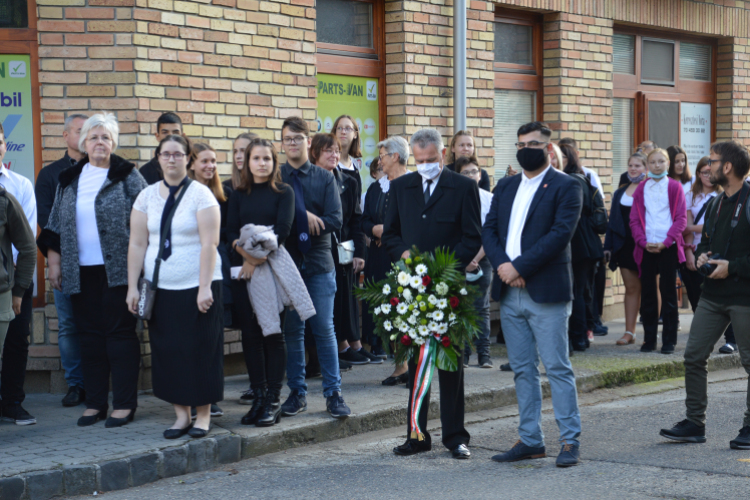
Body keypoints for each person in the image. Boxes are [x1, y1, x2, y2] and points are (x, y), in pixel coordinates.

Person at [37, 112, 148, 428]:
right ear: (83, 142)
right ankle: (96, 403)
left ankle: (124, 404)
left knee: (120, 335)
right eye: (94, 137)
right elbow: (55, 224)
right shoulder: (69, 179)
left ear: (114, 143)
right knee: (90, 337)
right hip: (80, 271)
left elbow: (147, 218)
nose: (100, 142)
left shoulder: (127, 175)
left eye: (106, 137)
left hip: (119, 272)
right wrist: (55, 264)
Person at [483, 121, 583, 467]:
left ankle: (570, 440)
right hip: (509, 291)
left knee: (556, 367)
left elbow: (559, 235)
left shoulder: (567, 187)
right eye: (521, 142)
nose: (526, 148)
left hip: (546, 291)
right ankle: (530, 440)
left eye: (534, 143)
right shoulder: (506, 185)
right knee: (523, 369)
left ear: (548, 148)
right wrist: (503, 267)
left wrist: (520, 267)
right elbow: (490, 229)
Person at [383, 128, 482, 460]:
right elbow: (391, 233)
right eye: (419, 160)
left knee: (450, 363)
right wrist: (404, 255)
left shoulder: (464, 187)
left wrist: (446, 267)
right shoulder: (400, 187)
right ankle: (417, 433)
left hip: (448, 285)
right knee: (416, 362)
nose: (425, 165)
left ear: (443, 155)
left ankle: (455, 436)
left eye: (431, 160)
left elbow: (472, 236)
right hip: (413, 288)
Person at [127, 134, 224, 439]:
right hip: (162, 287)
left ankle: (203, 416)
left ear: (188, 159)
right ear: (158, 158)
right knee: (169, 351)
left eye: (178, 154)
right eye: (166, 154)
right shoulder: (145, 196)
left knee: (201, 350)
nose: (172, 159)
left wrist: (205, 287)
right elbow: (138, 243)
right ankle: (181, 415)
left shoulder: (201, 195)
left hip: (198, 285)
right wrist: (133, 286)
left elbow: (210, 243)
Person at [659, 140, 750, 450]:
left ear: (728, 167)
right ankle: (694, 423)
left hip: (745, 296)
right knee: (694, 356)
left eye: (712, 161)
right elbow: (707, 241)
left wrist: (733, 266)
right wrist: (701, 256)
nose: (707, 167)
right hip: (712, 294)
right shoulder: (715, 202)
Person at [278, 117, 351, 419]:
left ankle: (333, 394)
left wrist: (308, 220)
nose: (292, 143)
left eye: (297, 138)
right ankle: (297, 393)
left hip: (320, 265)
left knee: (324, 329)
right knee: (293, 331)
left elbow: (335, 220)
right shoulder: (276, 178)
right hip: (289, 266)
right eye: (287, 139)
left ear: (308, 141)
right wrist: (301, 213)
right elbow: (271, 219)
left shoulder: (325, 178)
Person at [227, 138, 294, 426]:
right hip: (245, 272)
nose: (262, 163)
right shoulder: (238, 194)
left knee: (272, 335)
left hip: (272, 271)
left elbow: (282, 231)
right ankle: (258, 397)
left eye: (267, 158)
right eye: (256, 158)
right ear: (247, 161)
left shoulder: (284, 192)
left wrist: (256, 259)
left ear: (273, 161)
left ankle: (274, 400)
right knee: (251, 336)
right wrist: (247, 259)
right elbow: (229, 232)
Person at [34, 114, 89, 408]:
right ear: (65, 135)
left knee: (96, 323)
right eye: (79, 131)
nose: (84, 137)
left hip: (98, 264)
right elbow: (46, 221)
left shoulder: (101, 169)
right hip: (65, 262)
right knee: (68, 325)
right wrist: (55, 262)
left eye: (89, 132)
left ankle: (96, 383)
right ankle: (76, 385)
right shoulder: (50, 174)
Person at [309, 134, 375, 366]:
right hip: (316, 250)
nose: (334, 155)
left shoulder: (349, 181)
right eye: (328, 151)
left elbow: (356, 220)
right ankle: (335, 350)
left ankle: (346, 345)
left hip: (343, 249)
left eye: (337, 151)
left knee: (345, 298)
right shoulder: (307, 181)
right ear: (315, 154)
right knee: (327, 301)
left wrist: (359, 252)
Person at [363, 136, 411, 380]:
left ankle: (410, 365)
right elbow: (363, 219)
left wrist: (389, 233)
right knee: (386, 311)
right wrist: (374, 229)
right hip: (379, 257)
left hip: (403, 256)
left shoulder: (415, 184)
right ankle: (399, 364)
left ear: (395, 156)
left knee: (406, 309)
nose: (379, 161)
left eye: (382, 156)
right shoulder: (376, 187)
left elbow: (417, 222)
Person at [629, 148, 687, 354]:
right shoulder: (641, 188)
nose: (656, 165)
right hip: (647, 246)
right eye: (652, 162)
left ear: (668, 164)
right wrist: (642, 242)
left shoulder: (675, 187)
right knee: (648, 295)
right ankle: (649, 340)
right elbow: (634, 220)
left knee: (668, 293)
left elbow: (681, 219)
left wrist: (668, 240)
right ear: (647, 166)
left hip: (668, 247)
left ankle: (669, 341)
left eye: (661, 161)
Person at [0, 124, 37, 426]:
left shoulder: (19, 185)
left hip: (13, 280)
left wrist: (16, 287)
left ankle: (13, 403)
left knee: (16, 342)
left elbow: (25, 242)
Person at [187, 143, 227, 418]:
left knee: (210, 341)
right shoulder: (182, 194)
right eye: (204, 161)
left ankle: (209, 399)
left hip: (214, 274)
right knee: (189, 341)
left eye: (213, 161)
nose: (210, 166)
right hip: (186, 275)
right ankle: (190, 396)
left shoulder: (222, 195)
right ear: (191, 164)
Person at [682, 157, 736, 354]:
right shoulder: (690, 195)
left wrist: (691, 227)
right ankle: (705, 337)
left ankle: (731, 339)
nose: (708, 175)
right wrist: (689, 253)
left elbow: (712, 225)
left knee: (725, 296)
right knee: (698, 298)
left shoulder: (724, 196)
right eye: (704, 172)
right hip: (696, 250)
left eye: (710, 171)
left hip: (718, 250)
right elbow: (686, 229)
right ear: (698, 174)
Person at [558, 137, 607, 337]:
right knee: (582, 290)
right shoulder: (579, 178)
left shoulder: (572, 181)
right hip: (585, 242)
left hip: (579, 242)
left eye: (560, 157)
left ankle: (579, 336)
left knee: (577, 290)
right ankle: (584, 332)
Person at [605, 152, 647, 346]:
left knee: (651, 289)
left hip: (647, 245)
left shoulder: (651, 189)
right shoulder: (620, 193)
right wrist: (609, 247)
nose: (633, 168)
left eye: (637, 165)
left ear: (645, 169)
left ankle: (651, 330)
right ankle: (629, 331)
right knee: (630, 289)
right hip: (624, 246)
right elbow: (613, 223)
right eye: (631, 165)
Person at [455, 157, 494, 368]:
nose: (470, 176)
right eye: (465, 173)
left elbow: (491, 234)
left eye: (474, 172)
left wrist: (476, 259)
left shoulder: (489, 199)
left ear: (480, 175)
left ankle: (484, 354)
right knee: (461, 306)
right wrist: (464, 260)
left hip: (483, 259)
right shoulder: (454, 199)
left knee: (481, 307)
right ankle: (464, 353)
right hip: (460, 260)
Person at [138, 112, 183, 185]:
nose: (170, 136)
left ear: (182, 136)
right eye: (165, 132)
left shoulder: (192, 167)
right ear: (157, 136)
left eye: (175, 132)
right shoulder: (146, 172)